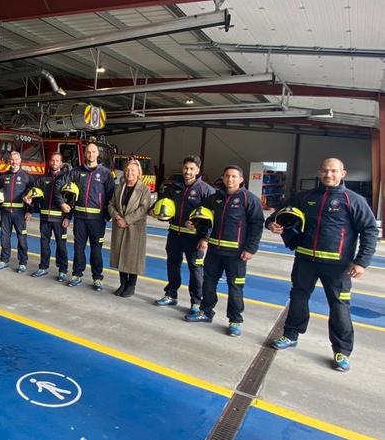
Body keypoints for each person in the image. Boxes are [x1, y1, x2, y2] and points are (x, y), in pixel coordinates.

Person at [266, 158, 377, 372]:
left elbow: (370, 230)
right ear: (319, 172)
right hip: (305, 260)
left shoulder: (352, 200)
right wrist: (272, 224)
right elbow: (276, 215)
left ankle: (342, 351)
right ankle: (291, 335)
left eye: (333, 171)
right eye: (325, 171)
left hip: (337, 265)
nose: (329, 175)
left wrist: (362, 261)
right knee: (298, 298)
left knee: (339, 306)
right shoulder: (305, 197)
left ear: (343, 173)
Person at [185, 165, 264, 337]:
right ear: (223, 177)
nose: (230, 179)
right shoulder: (215, 198)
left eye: (234, 176)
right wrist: (194, 224)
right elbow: (200, 214)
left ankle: (235, 320)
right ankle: (206, 312)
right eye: (227, 176)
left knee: (235, 287)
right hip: (214, 250)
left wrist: (251, 249)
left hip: (236, 254)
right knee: (208, 282)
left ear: (241, 179)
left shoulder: (248, 199)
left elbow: (257, 225)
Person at [154, 155, 215, 311]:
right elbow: (160, 204)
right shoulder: (173, 187)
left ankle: (195, 301)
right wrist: (154, 211)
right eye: (186, 168)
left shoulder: (206, 190)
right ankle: (171, 294)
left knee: (195, 269)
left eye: (191, 169)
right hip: (174, 233)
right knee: (172, 265)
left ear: (198, 170)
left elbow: (212, 217)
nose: (188, 171)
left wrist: (205, 238)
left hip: (194, 237)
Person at [66, 142, 115, 291]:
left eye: (93, 152)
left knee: (96, 250)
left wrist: (106, 216)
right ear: (85, 153)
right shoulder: (75, 172)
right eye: (88, 152)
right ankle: (77, 274)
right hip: (80, 218)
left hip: (97, 220)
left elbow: (111, 196)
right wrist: (68, 215)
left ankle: (97, 278)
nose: (91, 154)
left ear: (98, 154)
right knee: (78, 247)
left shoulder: (106, 174)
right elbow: (68, 194)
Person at [108, 161, 152, 298]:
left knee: (133, 258)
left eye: (133, 171)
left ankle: (131, 285)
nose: (129, 173)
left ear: (139, 173)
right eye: (127, 170)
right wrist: (116, 217)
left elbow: (143, 209)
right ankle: (122, 283)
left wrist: (126, 220)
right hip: (119, 226)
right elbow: (111, 204)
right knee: (120, 255)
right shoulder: (119, 187)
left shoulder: (144, 189)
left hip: (135, 227)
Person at [26, 152, 70, 281]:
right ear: (50, 162)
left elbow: (72, 200)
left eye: (57, 161)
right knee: (44, 244)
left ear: (61, 163)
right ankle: (43, 267)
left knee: (61, 245)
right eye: (53, 160)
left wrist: (68, 217)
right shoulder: (42, 179)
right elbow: (33, 194)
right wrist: (29, 206)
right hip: (44, 218)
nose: (55, 163)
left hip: (60, 219)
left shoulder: (66, 179)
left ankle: (62, 270)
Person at [0, 151, 34, 273]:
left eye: (16, 159)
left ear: (20, 161)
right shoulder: (3, 177)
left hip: (20, 213)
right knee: (4, 237)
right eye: (11, 159)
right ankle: (4, 260)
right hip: (5, 213)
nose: (14, 162)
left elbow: (33, 195)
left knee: (21, 238)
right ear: (9, 161)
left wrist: (30, 211)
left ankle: (22, 262)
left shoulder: (27, 177)